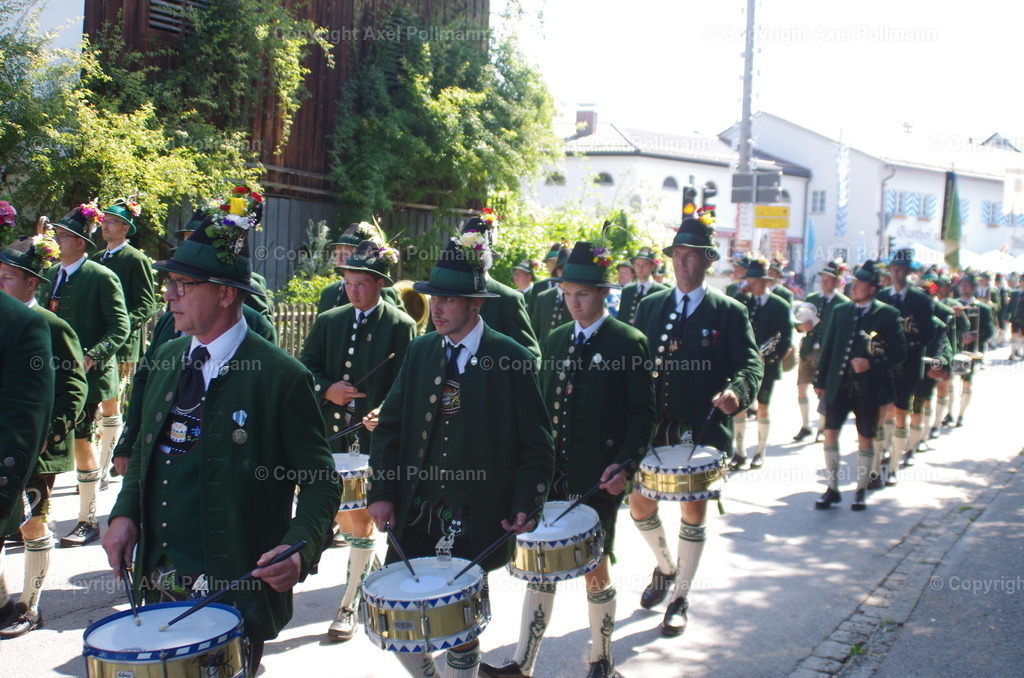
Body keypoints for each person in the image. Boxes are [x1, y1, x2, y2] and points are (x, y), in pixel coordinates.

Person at [103, 191, 340, 676]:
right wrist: (125, 513)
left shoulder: (281, 376)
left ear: (226, 293)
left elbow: (321, 482)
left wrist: (299, 547)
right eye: (169, 283)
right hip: (158, 579)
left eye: (183, 285)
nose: (169, 295)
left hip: (236, 585)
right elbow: (147, 452)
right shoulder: (167, 357)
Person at [367, 238, 554, 678]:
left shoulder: (511, 358)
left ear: (476, 303)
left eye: (449, 299)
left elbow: (537, 442)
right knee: (398, 613)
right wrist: (382, 492)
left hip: (475, 513)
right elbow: (390, 427)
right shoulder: (421, 350)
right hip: (416, 511)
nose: (437, 308)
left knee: (461, 625)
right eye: (435, 298)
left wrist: (527, 502)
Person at [480, 242, 655, 678]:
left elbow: (643, 414)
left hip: (600, 476)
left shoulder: (628, 341)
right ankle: (523, 663)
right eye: (568, 294)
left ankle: (602, 659)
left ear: (603, 294)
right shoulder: (556, 339)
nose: (574, 303)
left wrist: (626, 466)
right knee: (542, 563)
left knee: (596, 565)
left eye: (583, 294)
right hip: (553, 475)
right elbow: (540, 411)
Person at [628, 214, 762, 637]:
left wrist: (737, 391)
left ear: (708, 260)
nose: (682, 263)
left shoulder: (729, 311)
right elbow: (632, 362)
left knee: (692, 508)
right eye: (677, 255)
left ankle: (680, 597)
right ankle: (666, 567)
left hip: (700, 427)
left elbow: (751, 363)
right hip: (652, 425)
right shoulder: (650, 306)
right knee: (639, 503)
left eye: (691, 256)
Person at [299, 239, 416, 642]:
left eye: (361, 284)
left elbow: (406, 382)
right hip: (330, 435)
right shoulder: (328, 320)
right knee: (338, 515)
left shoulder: (401, 325)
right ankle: (367, 570)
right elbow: (306, 367)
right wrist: (326, 388)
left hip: (372, 442)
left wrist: (384, 410)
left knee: (361, 520)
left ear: (380, 284)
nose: (353, 291)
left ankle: (348, 604)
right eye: (348, 283)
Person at [0, 234, 85, 638]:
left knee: (32, 525)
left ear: (32, 282)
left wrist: (50, 435)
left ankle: (29, 605)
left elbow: (74, 387)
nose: (0, 284)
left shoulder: (51, 325)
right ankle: (3, 601)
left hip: (37, 449)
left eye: (7, 277)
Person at [43, 203, 129, 547]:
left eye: (63, 236)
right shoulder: (50, 273)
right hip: (49, 375)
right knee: (42, 443)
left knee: (81, 442)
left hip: (87, 378)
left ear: (80, 242)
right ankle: (35, 518)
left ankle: (87, 519)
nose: (57, 241)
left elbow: (119, 326)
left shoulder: (101, 276)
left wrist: (92, 356)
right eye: (57, 235)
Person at [812, 260, 906, 511]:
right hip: (838, 384)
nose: (853, 288)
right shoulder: (841, 311)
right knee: (830, 433)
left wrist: (871, 364)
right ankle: (832, 489)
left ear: (872, 288)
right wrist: (820, 380)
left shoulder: (888, 314)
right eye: (853, 283)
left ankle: (860, 490)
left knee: (865, 437)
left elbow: (899, 353)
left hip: (869, 387)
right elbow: (828, 347)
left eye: (859, 284)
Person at [91, 199, 161, 482]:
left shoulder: (135, 259)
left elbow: (146, 305)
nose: (105, 226)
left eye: (112, 222)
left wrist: (119, 327)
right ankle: (93, 459)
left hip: (121, 346)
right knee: (92, 403)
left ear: (125, 228)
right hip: (94, 343)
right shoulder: (97, 259)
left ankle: (106, 467)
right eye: (104, 221)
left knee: (112, 401)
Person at [426, 212, 541, 360]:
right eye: (464, 253)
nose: (468, 259)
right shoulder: (443, 290)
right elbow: (431, 340)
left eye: (475, 254)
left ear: (488, 257)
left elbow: (530, 356)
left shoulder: (508, 298)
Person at [875, 248, 935, 485]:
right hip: (884, 363)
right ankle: (884, 452)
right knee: (884, 409)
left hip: (908, 363)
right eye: (893, 269)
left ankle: (895, 463)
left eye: (901, 269)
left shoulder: (921, 300)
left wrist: (906, 340)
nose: (896, 273)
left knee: (902, 410)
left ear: (909, 272)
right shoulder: (882, 296)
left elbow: (928, 333)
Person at [729, 257, 792, 470]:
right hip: (743, 364)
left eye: (754, 281)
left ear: (765, 281)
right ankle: (739, 452)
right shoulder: (744, 301)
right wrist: (741, 294)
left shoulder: (780, 305)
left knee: (763, 407)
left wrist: (770, 357)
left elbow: (786, 339)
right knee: (739, 407)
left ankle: (759, 452)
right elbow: (731, 318)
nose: (750, 284)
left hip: (767, 365)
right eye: (749, 280)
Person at [793, 260, 848, 442]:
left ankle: (822, 426)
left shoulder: (843, 303)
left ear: (836, 282)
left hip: (827, 355)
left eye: (828, 279)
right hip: (808, 350)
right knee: (801, 387)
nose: (824, 282)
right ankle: (806, 425)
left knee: (822, 391)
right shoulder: (812, 299)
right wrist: (801, 327)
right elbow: (798, 324)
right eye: (822, 279)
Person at [317, 222, 405, 315]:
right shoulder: (329, 291)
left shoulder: (380, 290)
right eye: (337, 254)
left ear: (361, 257)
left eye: (346, 254)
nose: (338, 259)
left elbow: (395, 321)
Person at [949, 273, 995, 426]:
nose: (963, 287)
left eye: (967, 284)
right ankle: (949, 413)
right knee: (950, 383)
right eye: (961, 284)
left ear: (974, 288)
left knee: (967, 383)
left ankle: (961, 414)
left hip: (971, 351)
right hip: (954, 349)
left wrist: (975, 337)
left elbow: (989, 331)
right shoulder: (953, 304)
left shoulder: (983, 308)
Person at [530, 245, 573, 347]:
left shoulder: (580, 298)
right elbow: (534, 332)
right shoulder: (543, 297)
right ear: (559, 272)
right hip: (546, 353)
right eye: (568, 268)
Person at [616, 247, 667, 325]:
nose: (640, 268)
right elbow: (621, 318)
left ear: (652, 266)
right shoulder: (627, 290)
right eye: (637, 265)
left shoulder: (662, 291)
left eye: (645, 265)